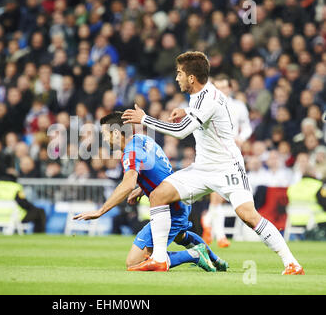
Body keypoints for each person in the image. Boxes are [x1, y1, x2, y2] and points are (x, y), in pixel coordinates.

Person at [122, 51, 304, 275]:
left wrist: (145, 119)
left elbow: (180, 132)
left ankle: (292, 263)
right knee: (159, 195)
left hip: (227, 167)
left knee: (248, 215)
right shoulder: (201, 95)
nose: (176, 77)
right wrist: (187, 111)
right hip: (202, 168)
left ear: (191, 78)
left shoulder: (208, 98)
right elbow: (207, 115)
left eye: (179, 73)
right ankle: (160, 259)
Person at [74, 112, 227, 272]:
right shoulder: (144, 140)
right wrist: (141, 189)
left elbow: (127, 184)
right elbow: (159, 170)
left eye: (106, 135)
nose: (104, 139)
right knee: (181, 235)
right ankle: (216, 260)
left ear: (117, 133)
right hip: (177, 198)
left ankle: (194, 255)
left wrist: (101, 210)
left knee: (133, 262)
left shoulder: (131, 152)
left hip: (169, 208)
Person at [202, 74, 253, 248]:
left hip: (233, 152)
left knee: (222, 196)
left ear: (230, 88)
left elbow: (247, 126)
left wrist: (241, 137)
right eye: (219, 86)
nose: (223, 90)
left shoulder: (239, 106)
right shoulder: (209, 104)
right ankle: (221, 235)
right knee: (217, 195)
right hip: (216, 154)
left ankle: (207, 221)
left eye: (225, 86)